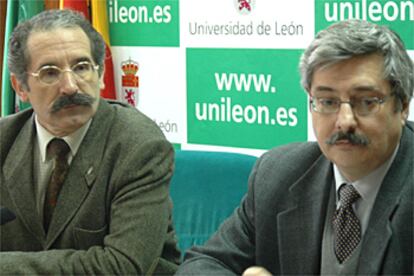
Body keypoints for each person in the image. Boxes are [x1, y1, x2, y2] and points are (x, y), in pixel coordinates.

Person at [176, 20, 413, 275]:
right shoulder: (278, 174)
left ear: (402, 106)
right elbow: (201, 265)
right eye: (327, 101)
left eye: (366, 101)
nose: (344, 121)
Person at [0, 9, 180, 274]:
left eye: (82, 67)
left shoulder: (138, 145)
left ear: (101, 74)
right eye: (50, 73)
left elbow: (123, 266)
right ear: (20, 87)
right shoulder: (5, 139)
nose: (71, 86)